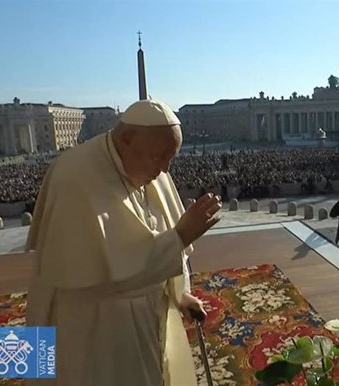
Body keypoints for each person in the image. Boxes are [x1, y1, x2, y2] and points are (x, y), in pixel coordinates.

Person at [24, 99, 222, 386]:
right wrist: (180, 236)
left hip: (142, 317)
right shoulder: (73, 177)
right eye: (161, 156)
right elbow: (103, 277)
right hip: (93, 327)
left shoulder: (154, 171)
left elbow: (153, 239)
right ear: (128, 139)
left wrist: (180, 293)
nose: (166, 169)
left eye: (172, 157)